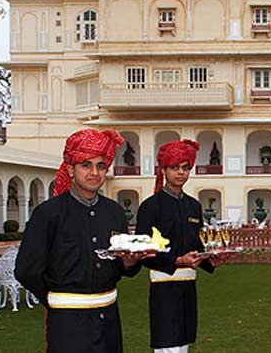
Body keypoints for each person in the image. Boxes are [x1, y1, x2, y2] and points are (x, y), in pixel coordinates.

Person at [15, 129, 147, 353]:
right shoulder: (49, 213)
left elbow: (120, 265)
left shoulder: (114, 212)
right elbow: (27, 270)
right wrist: (59, 300)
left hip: (109, 322)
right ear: (70, 168)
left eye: (101, 165)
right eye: (86, 165)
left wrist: (129, 263)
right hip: (68, 325)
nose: (95, 172)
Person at [136, 139, 223, 353]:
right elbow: (143, 251)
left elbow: (197, 245)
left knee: (183, 345)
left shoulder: (193, 206)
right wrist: (177, 260)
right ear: (163, 169)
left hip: (188, 288)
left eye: (185, 167)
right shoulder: (150, 207)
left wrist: (212, 259)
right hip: (164, 287)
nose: (181, 173)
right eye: (175, 167)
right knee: (168, 347)